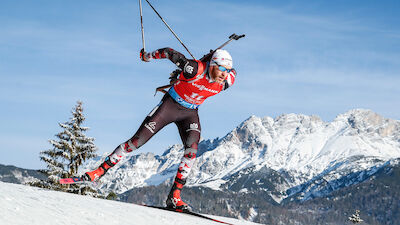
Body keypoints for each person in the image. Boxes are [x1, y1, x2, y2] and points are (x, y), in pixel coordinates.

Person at [82, 47, 237, 210]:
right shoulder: (193, 69)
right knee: (136, 142)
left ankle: (174, 197)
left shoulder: (227, 81)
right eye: (220, 68)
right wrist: (147, 56)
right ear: (212, 65)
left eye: (226, 70)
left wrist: (213, 55)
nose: (223, 74)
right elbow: (169, 53)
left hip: (190, 113)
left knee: (192, 150)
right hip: (170, 106)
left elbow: (233, 72)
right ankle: (98, 172)